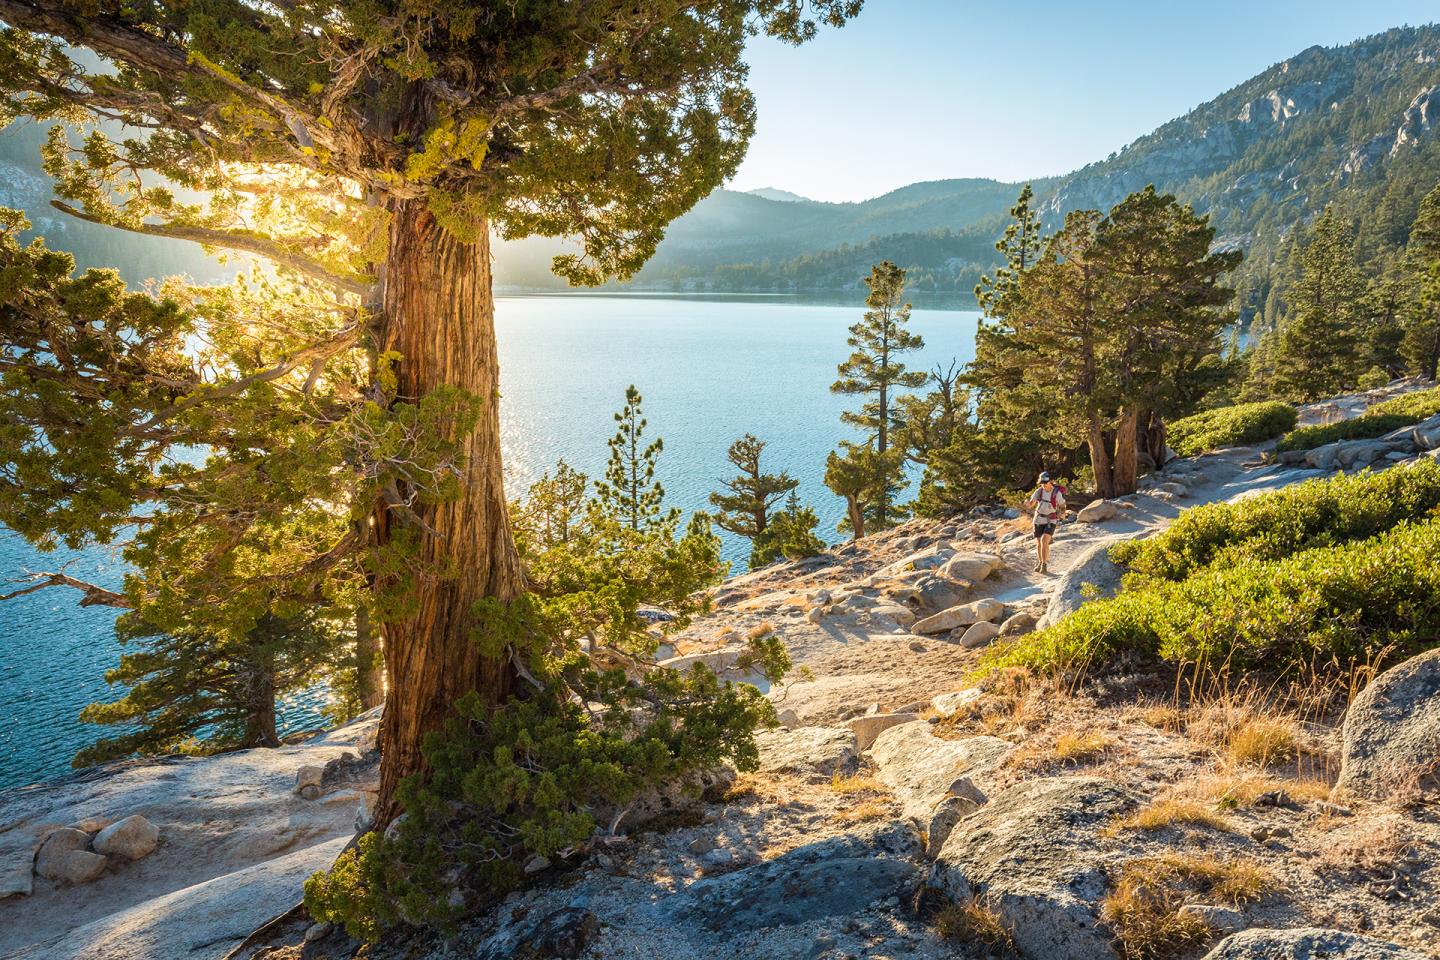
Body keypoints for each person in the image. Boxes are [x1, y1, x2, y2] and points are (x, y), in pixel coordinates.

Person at [1025, 472, 1066, 574]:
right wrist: (1028, 503)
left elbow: (1062, 504)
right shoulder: (1038, 491)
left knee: (1044, 541)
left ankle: (1044, 565)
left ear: (1050, 481)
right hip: (1038, 519)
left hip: (1051, 520)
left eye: (1045, 482)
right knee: (1039, 543)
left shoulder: (1056, 493)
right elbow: (1032, 503)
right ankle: (1040, 562)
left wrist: (1063, 513)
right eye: (1041, 482)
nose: (1043, 484)